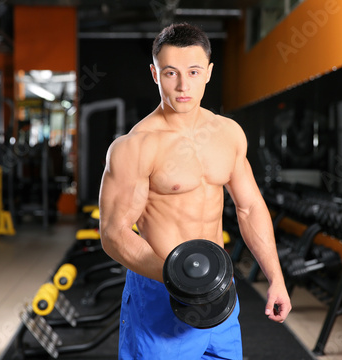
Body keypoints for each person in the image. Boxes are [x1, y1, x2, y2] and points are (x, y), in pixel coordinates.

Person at [99, 22, 291, 360]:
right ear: (155, 74)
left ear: (209, 72)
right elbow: (113, 233)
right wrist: (181, 280)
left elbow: (249, 208)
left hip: (219, 292)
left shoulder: (228, 133)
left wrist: (275, 277)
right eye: (171, 73)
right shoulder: (135, 146)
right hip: (161, 293)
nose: (183, 85)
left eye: (193, 71)